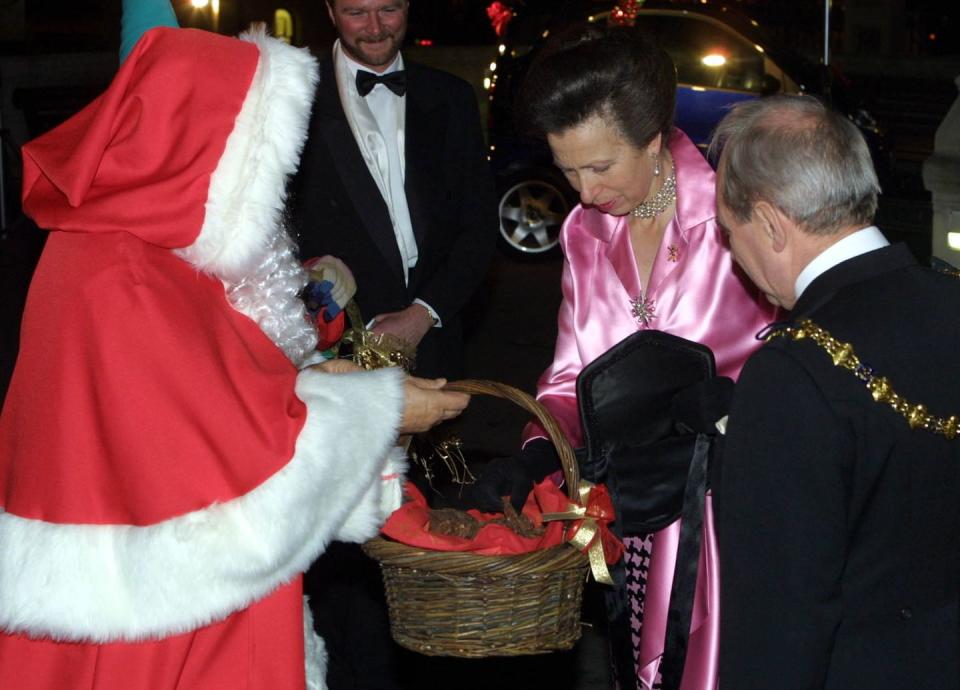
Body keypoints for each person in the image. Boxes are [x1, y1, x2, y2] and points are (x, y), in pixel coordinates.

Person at [0, 21, 469, 690]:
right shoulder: (117, 275)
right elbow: (231, 454)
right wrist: (382, 407)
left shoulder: (141, 248)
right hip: (152, 618)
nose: (272, 186)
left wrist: (317, 375)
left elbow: (219, 388)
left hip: (170, 602)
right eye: (259, 157)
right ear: (200, 148)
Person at [471, 24, 777, 690]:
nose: (581, 191)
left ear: (655, 137)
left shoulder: (741, 211)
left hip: (740, 517)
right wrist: (537, 453)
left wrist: (745, 407)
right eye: (566, 168)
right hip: (634, 518)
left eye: (600, 167)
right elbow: (572, 376)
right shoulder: (585, 231)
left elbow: (811, 345)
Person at [712, 95, 960, 689]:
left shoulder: (791, 373)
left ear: (771, 223)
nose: (729, 251)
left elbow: (780, 622)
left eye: (729, 231)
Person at [289, 0, 497, 381]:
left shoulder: (453, 98)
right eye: (356, 13)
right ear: (330, 12)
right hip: (329, 352)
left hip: (434, 340)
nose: (374, 27)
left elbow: (480, 227)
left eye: (388, 10)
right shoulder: (291, 100)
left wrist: (424, 314)